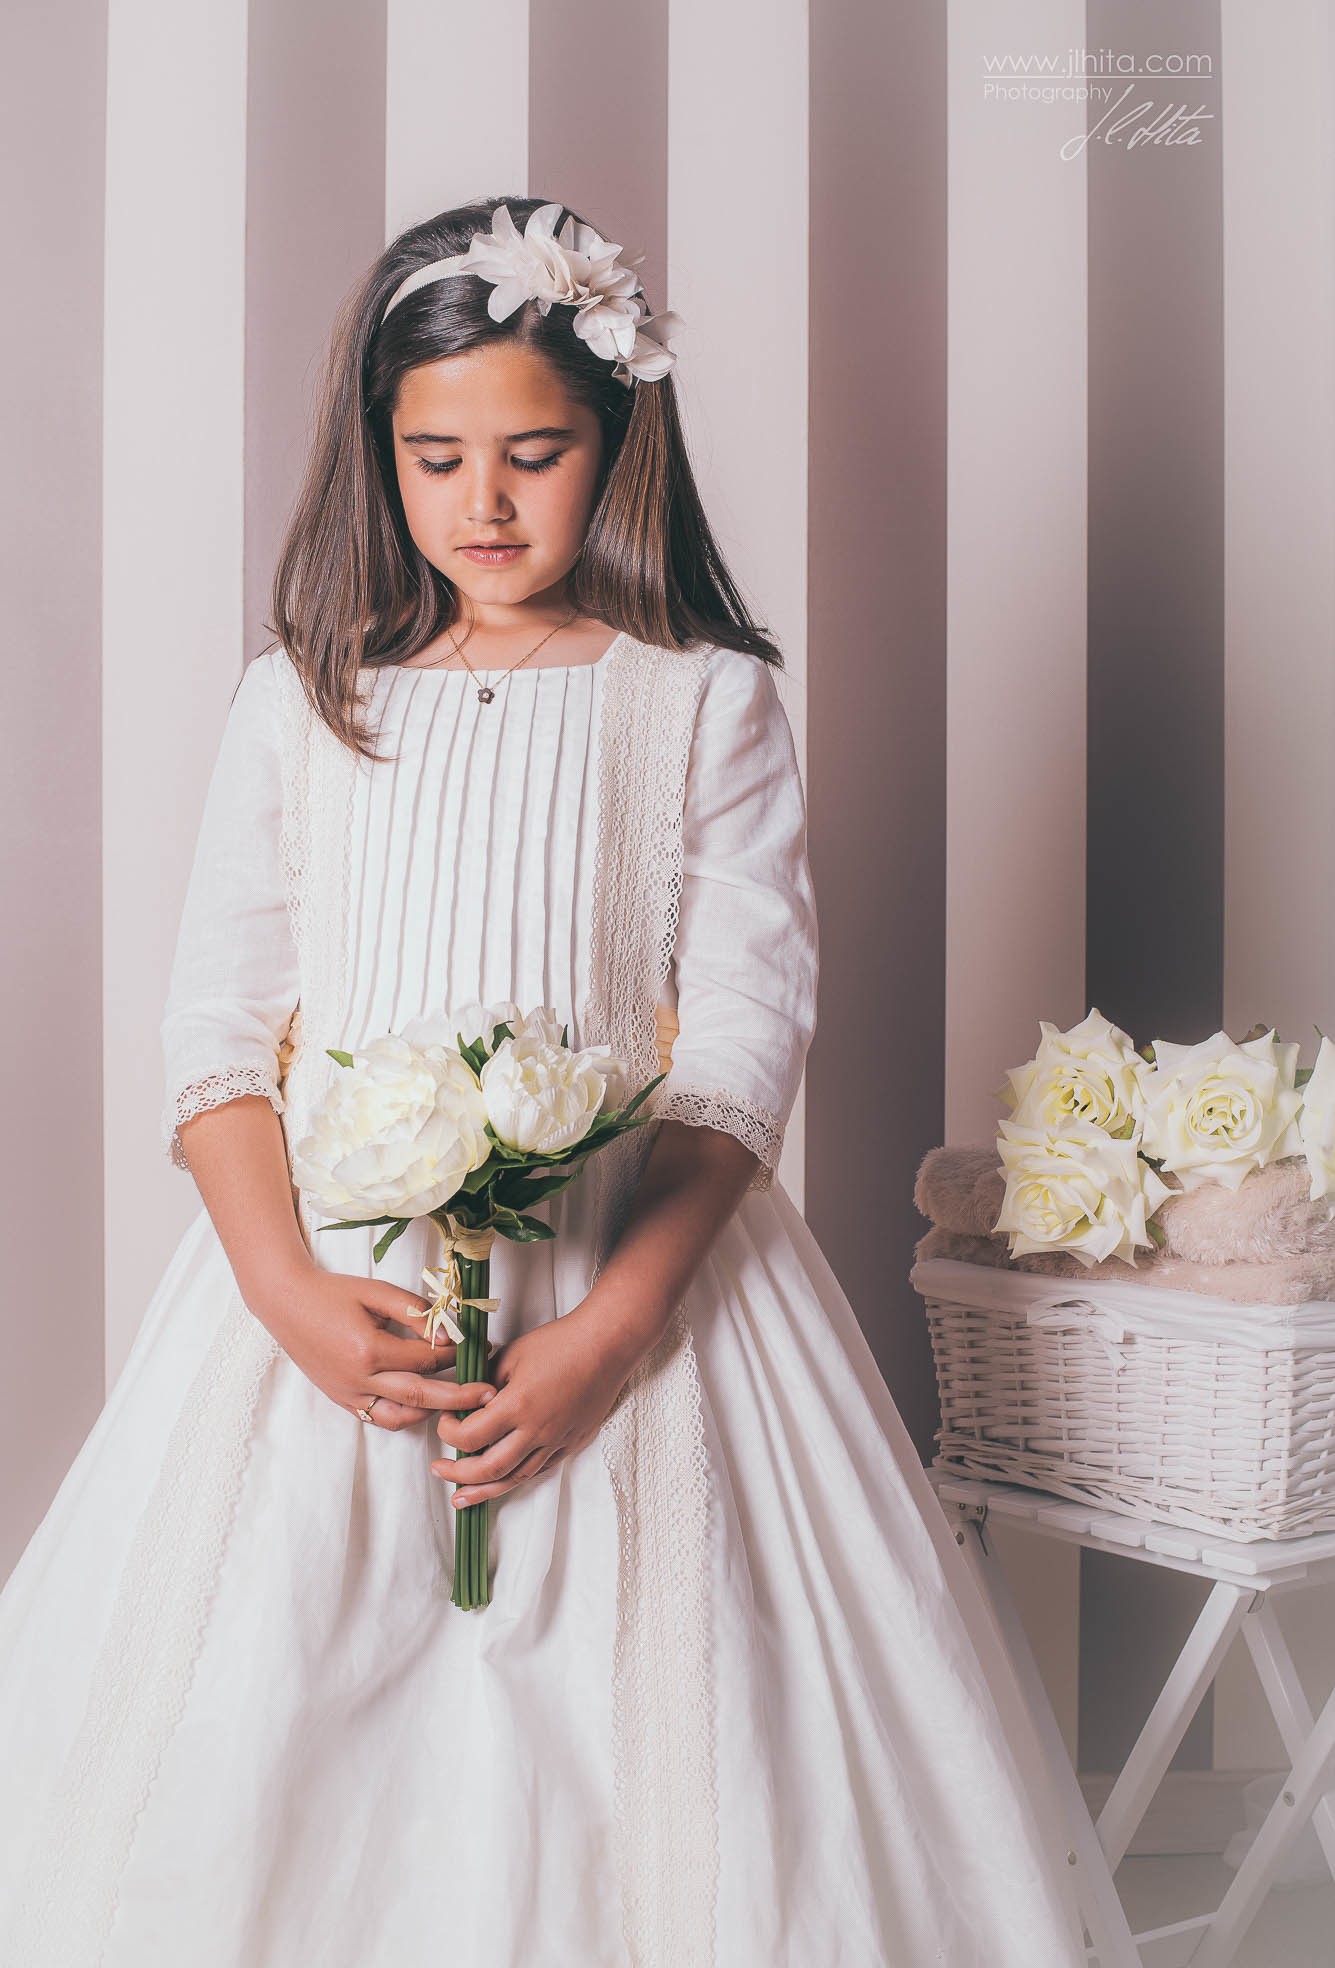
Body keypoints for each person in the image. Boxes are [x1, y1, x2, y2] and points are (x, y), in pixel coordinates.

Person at [0, 196, 1084, 1968]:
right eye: (435, 459)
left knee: (660, 1739)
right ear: (378, 458)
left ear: (617, 446)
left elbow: (739, 1047)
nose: (484, 507)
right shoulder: (301, 705)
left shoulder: (701, 703)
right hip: (337, 1309)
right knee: (268, 1712)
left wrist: (602, 1335)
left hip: (632, 1292)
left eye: (533, 454)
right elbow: (214, 1033)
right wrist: (282, 1290)